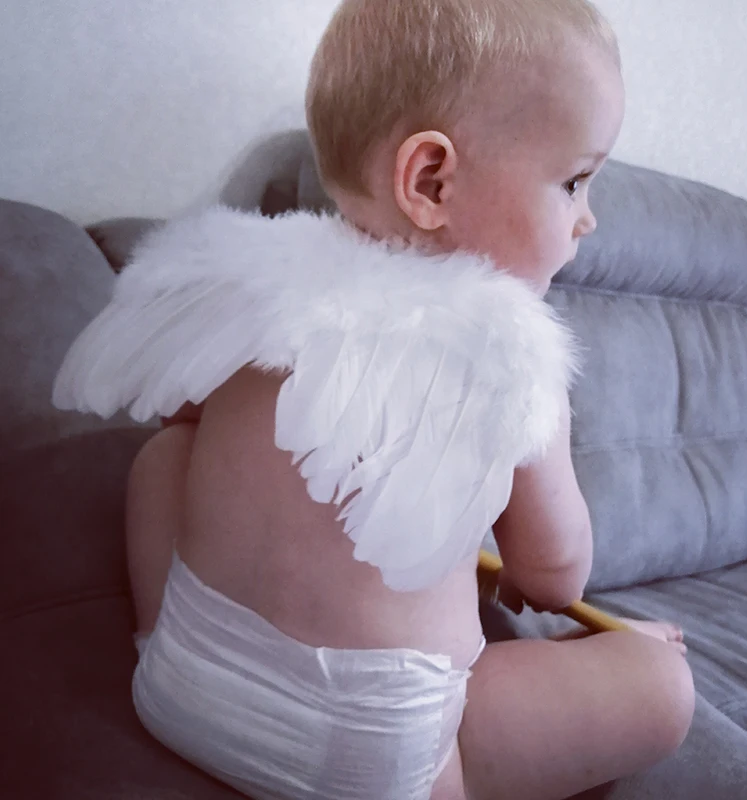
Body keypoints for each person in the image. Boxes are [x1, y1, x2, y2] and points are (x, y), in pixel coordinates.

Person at [54, 1, 694, 798]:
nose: (588, 219)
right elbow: (556, 577)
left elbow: (176, 417)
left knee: (164, 456)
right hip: (381, 768)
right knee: (661, 682)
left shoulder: (257, 286)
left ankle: (164, 636)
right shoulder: (510, 355)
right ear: (431, 179)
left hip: (179, 693)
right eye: (574, 181)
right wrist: (531, 567)